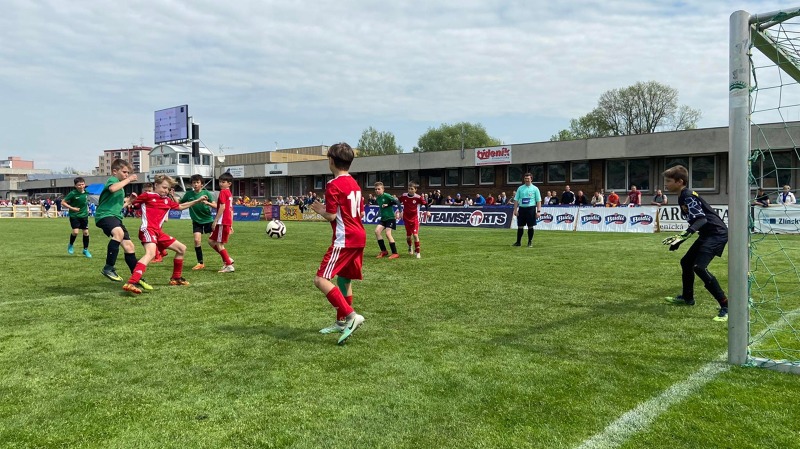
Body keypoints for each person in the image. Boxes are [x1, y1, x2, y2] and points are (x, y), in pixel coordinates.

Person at [310, 142, 365, 345]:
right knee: (344, 280)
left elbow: (332, 216)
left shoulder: (333, 184)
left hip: (345, 238)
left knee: (320, 279)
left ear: (331, 161)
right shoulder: (355, 184)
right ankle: (341, 322)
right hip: (359, 236)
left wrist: (320, 210)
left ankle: (351, 316)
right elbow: (358, 212)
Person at [662, 165, 729, 322]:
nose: (665, 184)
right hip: (707, 234)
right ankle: (687, 298)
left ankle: (726, 306)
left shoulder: (688, 196)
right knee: (686, 262)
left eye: (668, 181)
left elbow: (701, 219)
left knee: (699, 267)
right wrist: (681, 240)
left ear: (680, 181)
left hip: (716, 234)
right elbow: (698, 221)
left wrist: (683, 235)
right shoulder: (682, 196)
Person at [122, 175, 209, 295]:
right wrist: (129, 200)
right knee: (150, 254)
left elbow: (180, 206)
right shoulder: (147, 195)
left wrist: (197, 201)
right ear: (156, 185)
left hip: (158, 232)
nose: (166, 190)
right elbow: (130, 203)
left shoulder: (167, 200)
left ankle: (176, 278)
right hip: (147, 229)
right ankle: (132, 282)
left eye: (168, 189)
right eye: (164, 187)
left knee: (181, 249)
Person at [181, 174, 217, 270]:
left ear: (202, 184)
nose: (196, 184)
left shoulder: (206, 193)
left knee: (214, 242)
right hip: (196, 221)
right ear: (191, 184)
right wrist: (172, 195)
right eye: (194, 183)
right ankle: (200, 263)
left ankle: (225, 258)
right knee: (197, 240)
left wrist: (208, 203)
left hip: (208, 220)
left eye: (197, 182)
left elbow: (216, 206)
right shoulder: (189, 194)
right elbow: (179, 203)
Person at [208, 172, 236, 273]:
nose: (220, 184)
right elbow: (231, 209)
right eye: (220, 181)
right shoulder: (229, 193)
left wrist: (215, 220)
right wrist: (231, 224)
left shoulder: (223, 192)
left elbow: (223, 207)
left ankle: (228, 265)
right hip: (226, 221)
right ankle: (227, 259)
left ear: (229, 183)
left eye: (223, 182)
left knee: (219, 244)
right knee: (211, 241)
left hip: (222, 222)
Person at [61, 177, 92, 258]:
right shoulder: (73, 193)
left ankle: (85, 250)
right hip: (74, 215)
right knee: (75, 232)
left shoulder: (86, 192)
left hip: (84, 215)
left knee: (86, 232)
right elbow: (63, 202)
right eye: (79, 185)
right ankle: (71, 245)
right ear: (75, 186)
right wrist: (72, 208)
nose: (81, 186)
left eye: (82, 184)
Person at [399, 181, 428, 258]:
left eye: (412, 189)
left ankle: (418, 252)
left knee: (415, 235)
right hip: (406, 219)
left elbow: (425, 204)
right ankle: (410, 246)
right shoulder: (404, 196)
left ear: (415, 189)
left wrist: (427, 211)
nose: (410, 190)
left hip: (415, 219)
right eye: (409, 188)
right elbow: (397, 201)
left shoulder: (418, 197)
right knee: (408, 237)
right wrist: (399, 211)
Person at [512, 172, 542, 248]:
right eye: (525, 178)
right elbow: (516, 200)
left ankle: (530, 242)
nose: (526, 180)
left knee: (530, 226)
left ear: (531, 179)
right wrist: (515, 210)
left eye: (528, 178)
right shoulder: (520, 188)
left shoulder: (535, 189)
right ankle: (518, 242)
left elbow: (538, 201)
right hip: (522, 209)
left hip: (531, 209)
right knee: (520, 226)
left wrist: (538, 211)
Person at [373, 181, 399, 259]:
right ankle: (384, 251)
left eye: (379, 189)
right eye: (376, 189)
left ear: (383, 189)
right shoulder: (378, 198)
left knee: (388, 234)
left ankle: (395, 253)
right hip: (383, 218)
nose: (377, 190)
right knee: (377, 231)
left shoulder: (387, 195)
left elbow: (396, 201)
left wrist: (388, 204)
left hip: (390, 218)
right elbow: (381, 208)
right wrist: (376, 216)